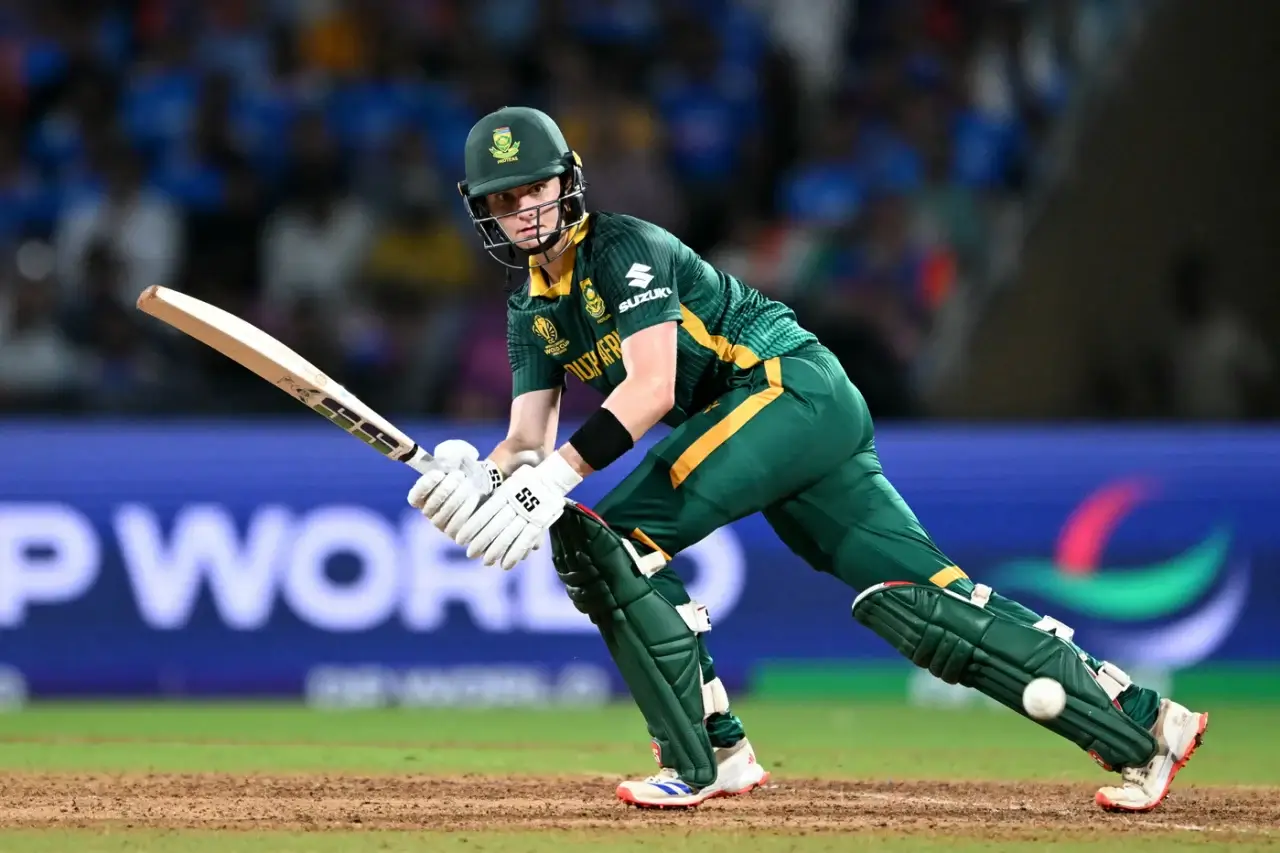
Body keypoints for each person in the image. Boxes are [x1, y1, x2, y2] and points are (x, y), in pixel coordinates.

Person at [406, 106, 1208, 811]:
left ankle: (708, 754)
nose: (524, 210)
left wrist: (551, 481)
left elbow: (650, 389)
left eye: (535, 187)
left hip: (784, 388)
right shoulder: (530, 309)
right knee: (920, 603)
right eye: (504, 199)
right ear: (483, 211)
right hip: (779, 417)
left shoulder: (622, 249)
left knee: (606, 539)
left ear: (568, 181)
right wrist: (482, 477)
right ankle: (1144, 726)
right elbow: (527, 440)